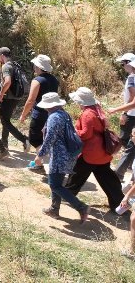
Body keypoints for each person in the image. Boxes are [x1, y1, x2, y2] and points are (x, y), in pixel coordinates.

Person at [54, 87, 123, 213]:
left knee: (76, 175)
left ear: (81, 102)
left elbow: (85, 134)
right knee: (107, 179)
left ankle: (67, 195)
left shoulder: (87, 114)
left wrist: (73, 131)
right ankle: (118, 203)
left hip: (90, 153)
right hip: (102, 152)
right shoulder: (97, 110)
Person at [31, 93, 90, 223]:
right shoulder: (63, 114)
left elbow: (49, 138)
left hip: (59, 155)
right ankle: (54, 209)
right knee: (56, 182)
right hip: (67, 154)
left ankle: (82, 207)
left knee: (54, 185)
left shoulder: (54, 117)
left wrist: (39, 155)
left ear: (49, 106)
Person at [19, 54, 58, 171]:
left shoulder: (37, 81)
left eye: (35, 65)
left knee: (34, 138)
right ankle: (40, 161)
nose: (34, 67)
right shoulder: (54, 80)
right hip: (52, 113)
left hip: (39, 114)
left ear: (39, 67)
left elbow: (30, 100)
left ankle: (39, 163)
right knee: (46, 138)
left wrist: (23, 115)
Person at [0, 47, 31, 151]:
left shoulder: (6, 66)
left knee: (5, 121)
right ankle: (4, 143)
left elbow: (7, 82)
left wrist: (1, 93)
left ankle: (24, 139)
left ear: (2, 55)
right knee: (6, 120)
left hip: (9, 98)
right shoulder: (15, 64)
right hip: (16, 97)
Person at [107, 53, 135, 181]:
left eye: (123, 64)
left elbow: (132, 99)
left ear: (129, 63)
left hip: (131, 115)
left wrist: (121, 112)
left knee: (123, 141)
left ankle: (113, 169)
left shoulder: (132, 78)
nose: (123, 67)